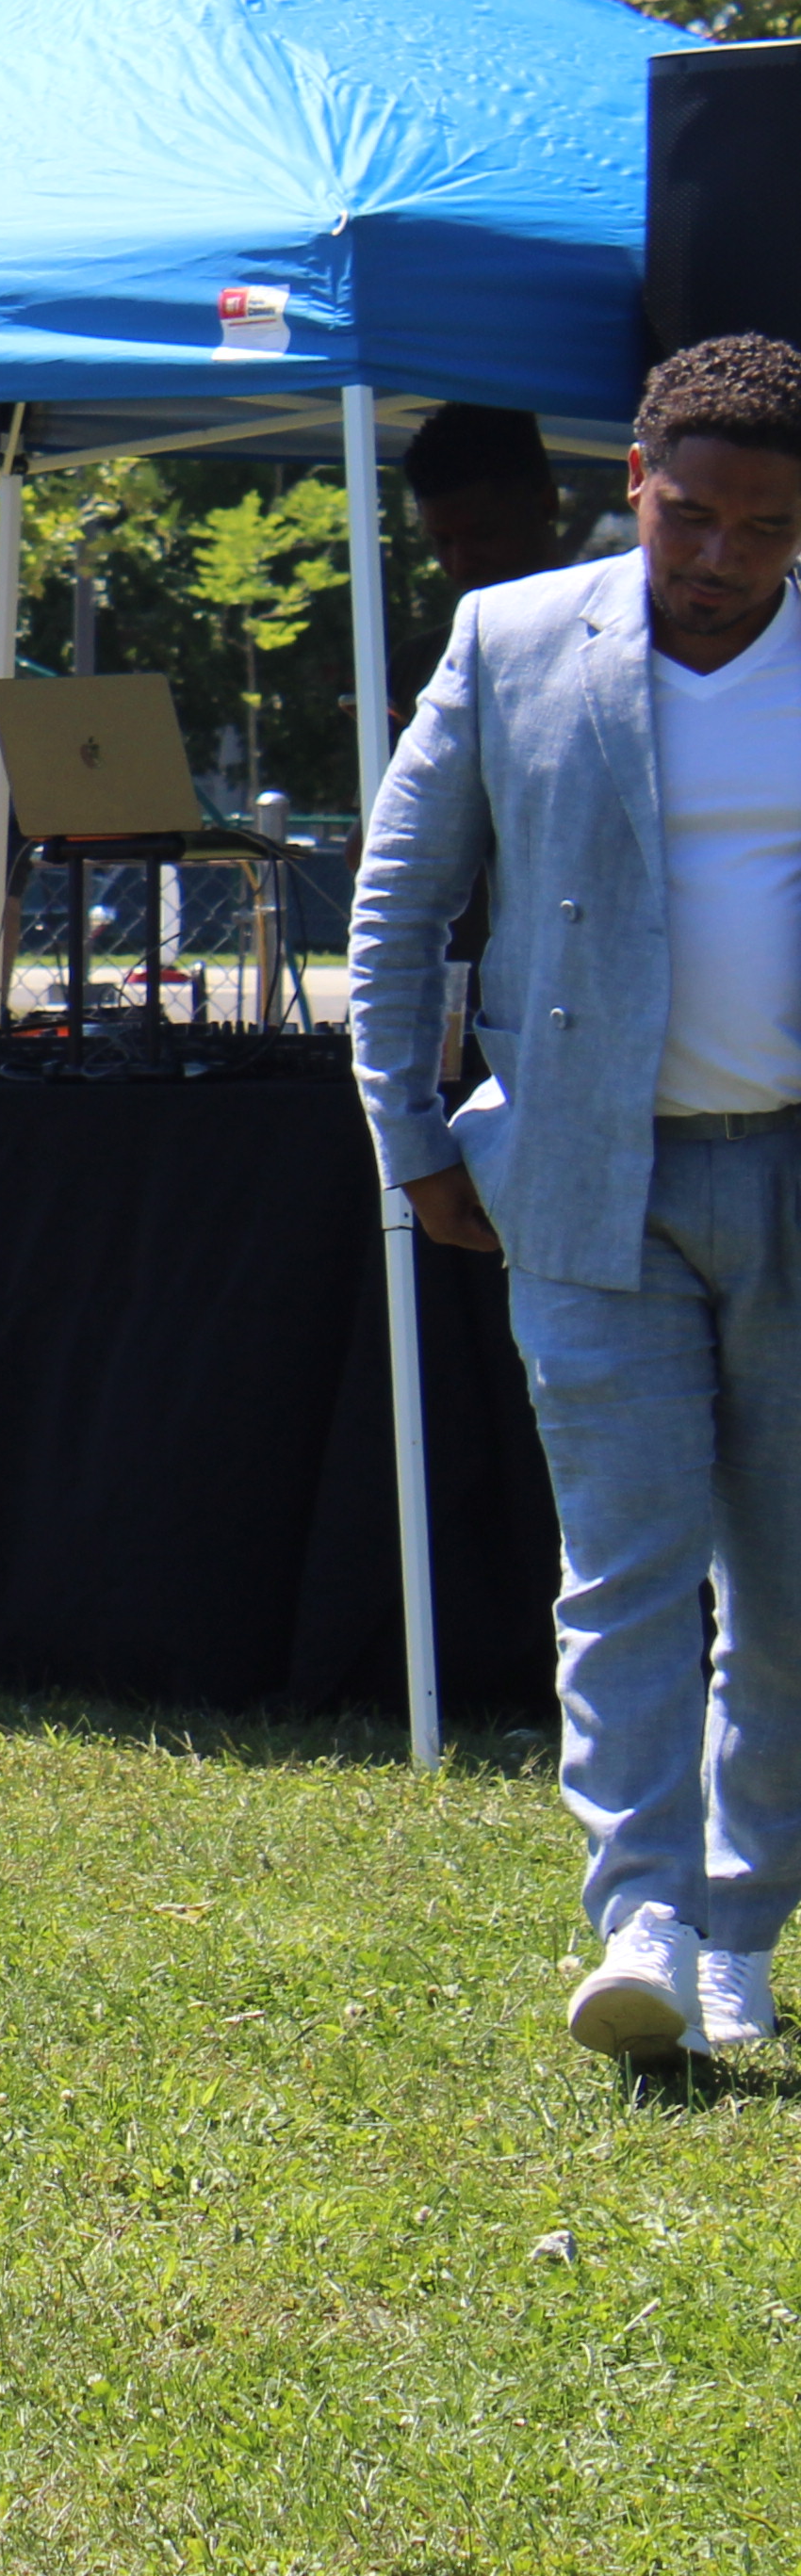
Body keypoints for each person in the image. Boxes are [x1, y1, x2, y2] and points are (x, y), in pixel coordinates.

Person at [356, 334, 801, 2069]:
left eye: (756, 532)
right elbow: (399, 905)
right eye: (685, 517)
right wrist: (403, 1136)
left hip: (785, 1167)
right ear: (630, 485)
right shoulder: (513, 638)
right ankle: (638, 1918)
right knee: (622, 1572)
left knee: (780, 1588)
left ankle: (739, 1925)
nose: (711, 559)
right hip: (577, 1174)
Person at [407, 401, 572, 598]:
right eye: (443, 541)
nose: (461, 566)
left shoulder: (615, 625)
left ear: (547, 505)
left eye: (482, 534)